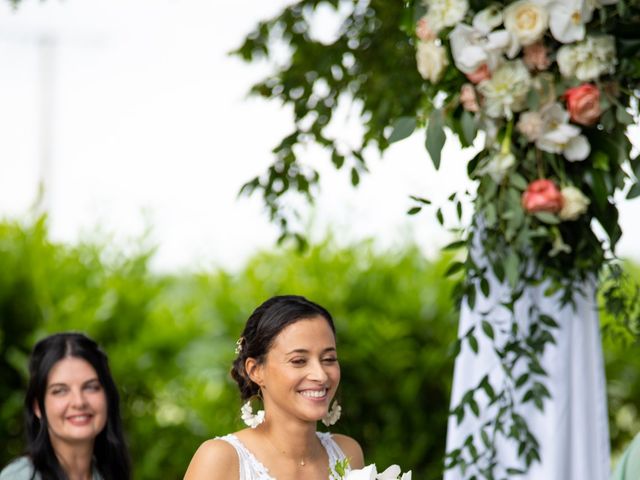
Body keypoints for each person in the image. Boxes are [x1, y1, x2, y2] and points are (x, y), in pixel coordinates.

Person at [184, 295, 364, 480]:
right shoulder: (220, 459)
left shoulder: (348, 453)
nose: (320, 375)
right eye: (299, 361)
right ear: (255, 370)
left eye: (328, 359)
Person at [0, 333, 131, 480]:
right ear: (37, 407)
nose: (79, 402)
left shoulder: (110, 474)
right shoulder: (17, 477)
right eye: (60, 391)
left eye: (91, 387)